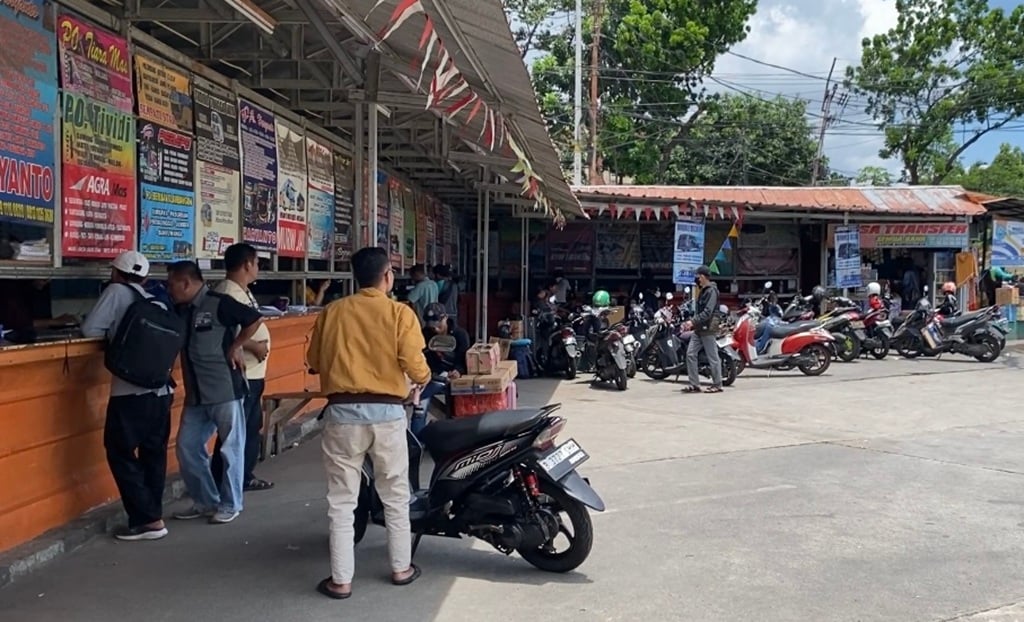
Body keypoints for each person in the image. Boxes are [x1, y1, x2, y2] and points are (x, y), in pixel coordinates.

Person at [306, 246, 431, 599]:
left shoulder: (332, 313)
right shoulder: (399, 313)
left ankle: (341, 581)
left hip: (342, 416)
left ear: (355, 277)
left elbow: (313, 360)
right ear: (388, 275)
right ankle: (401, 568)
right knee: (395, 495)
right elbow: (415, 365)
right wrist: (421, 378)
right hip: (388, 416)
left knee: (342, 501)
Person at [80, 251, 173, 541]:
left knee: (119, 450)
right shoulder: (156, 300)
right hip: (162, 390)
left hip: (129, 392)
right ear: (144, 277)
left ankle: (148, 520)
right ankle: (153, 514)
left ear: (115, 272)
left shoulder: (116, 291)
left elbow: (89, 330)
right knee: (153, 454)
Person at [166, 261, 263, 525]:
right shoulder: (182, 309)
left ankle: (231, 504)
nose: (169, 289)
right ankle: (206, 500)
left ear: (186, 282)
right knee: (187, 447)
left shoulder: (219, 302)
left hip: (224, 389)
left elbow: (253, 320)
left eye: (171, 283)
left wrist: (237, 346)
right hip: (196, 394)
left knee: (231, 449)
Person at [211, 243, 274, 492]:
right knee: (237, 430)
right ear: (247, 264)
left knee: (249, 427)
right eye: (257, 263)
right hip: (242, 372)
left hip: (255, 372)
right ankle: (230, 479)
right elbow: (222, 333)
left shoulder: (242, 290)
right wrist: (251, 346)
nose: (258, 268)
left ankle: (243, 475)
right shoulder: (227, 293)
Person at [413, 302, 471, 435]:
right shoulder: (424, 334)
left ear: (445, 318)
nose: (436, 330)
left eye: (438, 325)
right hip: (431, 377)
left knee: (457, 409)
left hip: (455, 377)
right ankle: (417, 442)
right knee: (419, 406)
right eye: (432, 327)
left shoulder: (460, 334)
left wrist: (458, 370)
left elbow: (465, 358)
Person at [681, 266, 723, 394]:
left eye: (698, 276)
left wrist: (692, 321)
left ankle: (717, 384)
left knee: (713, 357)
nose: (696, 279)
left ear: (703, 277)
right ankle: (694, 384)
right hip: (699, 329)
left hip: (708, 328)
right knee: (690, 354)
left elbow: (708, 312)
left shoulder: (712, 291)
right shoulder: (703, 290)